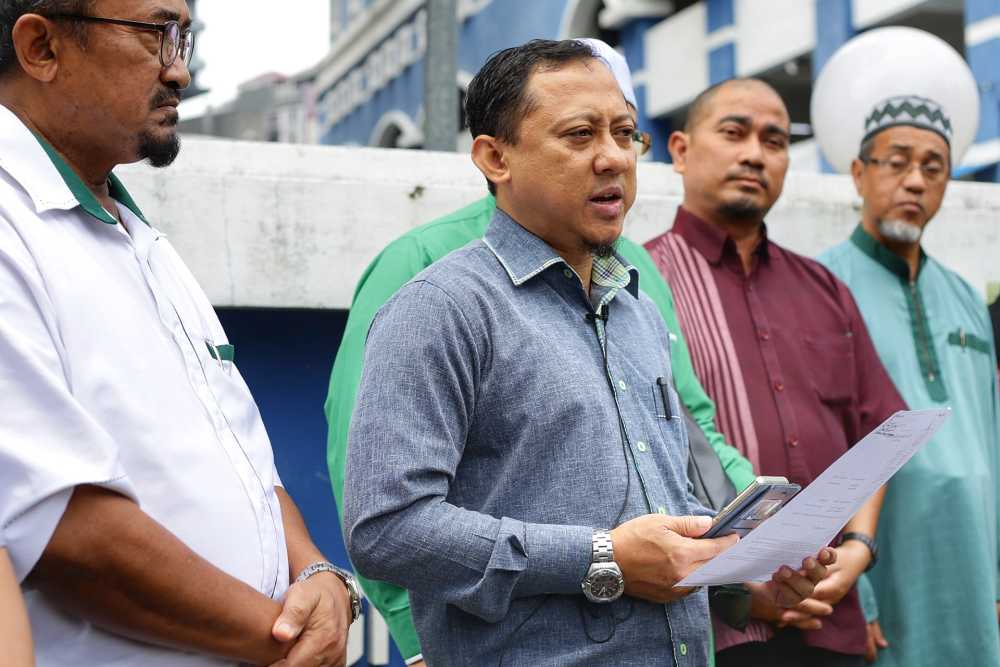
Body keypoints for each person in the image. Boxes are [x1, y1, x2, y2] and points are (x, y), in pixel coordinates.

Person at [343, 39, 834, 666]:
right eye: (579, 135)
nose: (613, 158)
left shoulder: (636, 310)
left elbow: (663, 512)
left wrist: (744, 570)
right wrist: (602, 559)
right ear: (496, 157)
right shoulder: (441, 307)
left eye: (626, 133)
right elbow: (387, 529)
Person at [0, 2, 355, 665]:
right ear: (41, 47)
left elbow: (248, 470)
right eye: (154, 35)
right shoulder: (11, 225)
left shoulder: (137, 236)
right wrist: (284, 641)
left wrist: (316, 575)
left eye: (184, 37)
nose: (180, 71)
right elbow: (62, 530)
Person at [643, 78, 906, 667]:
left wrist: (859, 550)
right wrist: (737, 587)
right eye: (734, 133)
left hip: (831, 616)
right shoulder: (639, 283)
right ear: (680, 151)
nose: (755, 154)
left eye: (775, 140)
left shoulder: (823, 288)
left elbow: (878, 430)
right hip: (713, 629)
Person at [818, 94, 1000, 667]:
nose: (915, 181)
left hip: (973, 569)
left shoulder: (967, 297)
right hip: (884, 566)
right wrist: (856, 593)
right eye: (897, 162)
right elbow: (822, 450)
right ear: (858, 173)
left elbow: (991, 441)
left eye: (933, 167)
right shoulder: (821, 288)